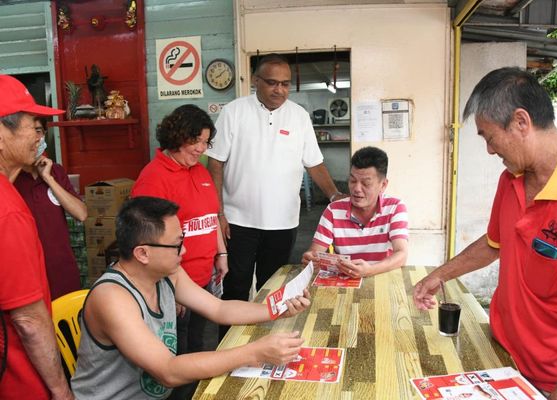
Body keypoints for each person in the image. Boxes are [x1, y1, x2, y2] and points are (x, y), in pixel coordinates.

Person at [413, 67, 557, 399]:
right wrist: (439, 275)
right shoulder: (511, 179)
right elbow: (493, 243)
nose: (489, 150)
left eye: (489, 137)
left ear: (521, 122)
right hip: (502, 357)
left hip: (555, 382)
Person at [71, 196, 311, 400]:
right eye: (177, 245)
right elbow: (168, 371)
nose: (184, 251)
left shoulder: (168, 274)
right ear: (142, 253)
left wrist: (278, 308)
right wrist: (255, 353)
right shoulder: (112, 298)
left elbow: (219, 309)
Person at [206, 53, 344, 326]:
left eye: (285, 84)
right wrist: (219, 213)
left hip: (283, 223)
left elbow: (314, 163)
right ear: (256, 81)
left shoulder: (299, 116)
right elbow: (216, 162)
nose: (279, 90)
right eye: (271, 82)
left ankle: (267, 342)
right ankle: (229, 347)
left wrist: (334, 195)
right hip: (238, 222)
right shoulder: (234, 111)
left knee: (273, 289)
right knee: (235, 288)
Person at [131, 105, 227, 399]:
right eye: (195, 141)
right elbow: (149, 243)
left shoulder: (199, 171)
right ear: (177, 136)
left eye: (205, 142)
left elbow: (211, 217)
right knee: (178, 357)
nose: (201, 148)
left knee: (197, 344)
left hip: (203, 279)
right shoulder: (154, 177)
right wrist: (170, 286)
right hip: (175, 285)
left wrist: (221, 254)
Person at [0, 74, 73, 399]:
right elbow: (28, 319)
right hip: (19, 382)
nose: (39, 137)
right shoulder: (7, 210)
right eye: (33, 126)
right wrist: (61, 390)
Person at [301, 146, 409, 277]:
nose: (357, 188)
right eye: (352, 181)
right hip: (345, 279)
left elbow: (401, 254)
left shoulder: (395, 208)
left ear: (383, 185)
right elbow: (314, 252)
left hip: (381, 276)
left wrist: (370, 270)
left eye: (366, 183)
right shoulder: (333, 210)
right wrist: (310, 259)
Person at [13, 117, 87, 300]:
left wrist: (49, 179)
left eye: (39, 131)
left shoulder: (56, 172)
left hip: (62, 268)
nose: (35, 137)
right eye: (29, 131)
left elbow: (81, 214)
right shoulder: (10, 178)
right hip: (27, 272)